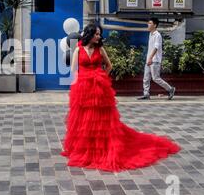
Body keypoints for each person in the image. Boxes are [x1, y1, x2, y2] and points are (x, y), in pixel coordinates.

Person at [61, 23, 180, 172]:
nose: (99, 37)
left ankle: (101, 148)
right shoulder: (78, 49)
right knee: (84, 119)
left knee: (100, 119)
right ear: (89, 35)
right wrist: (75, 87)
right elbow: (74, 71)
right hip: (83, 88)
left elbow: (109, 66)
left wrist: (102, 76)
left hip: (99, 87)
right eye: (97, 34)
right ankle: (86, 148)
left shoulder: (100, 49)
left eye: (99, 34)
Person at [137, 18, 176, 100]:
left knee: (156, 78)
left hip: (155, 60)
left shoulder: (157, 35)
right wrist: (148, 58)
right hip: (149, 59)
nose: (148, 24)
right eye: (148, 23)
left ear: (154, 25)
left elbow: (156, 47)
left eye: (150, 23)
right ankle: (146, 94)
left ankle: (170, 89)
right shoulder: (150, 34)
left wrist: (150, 58)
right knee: (146, 78)